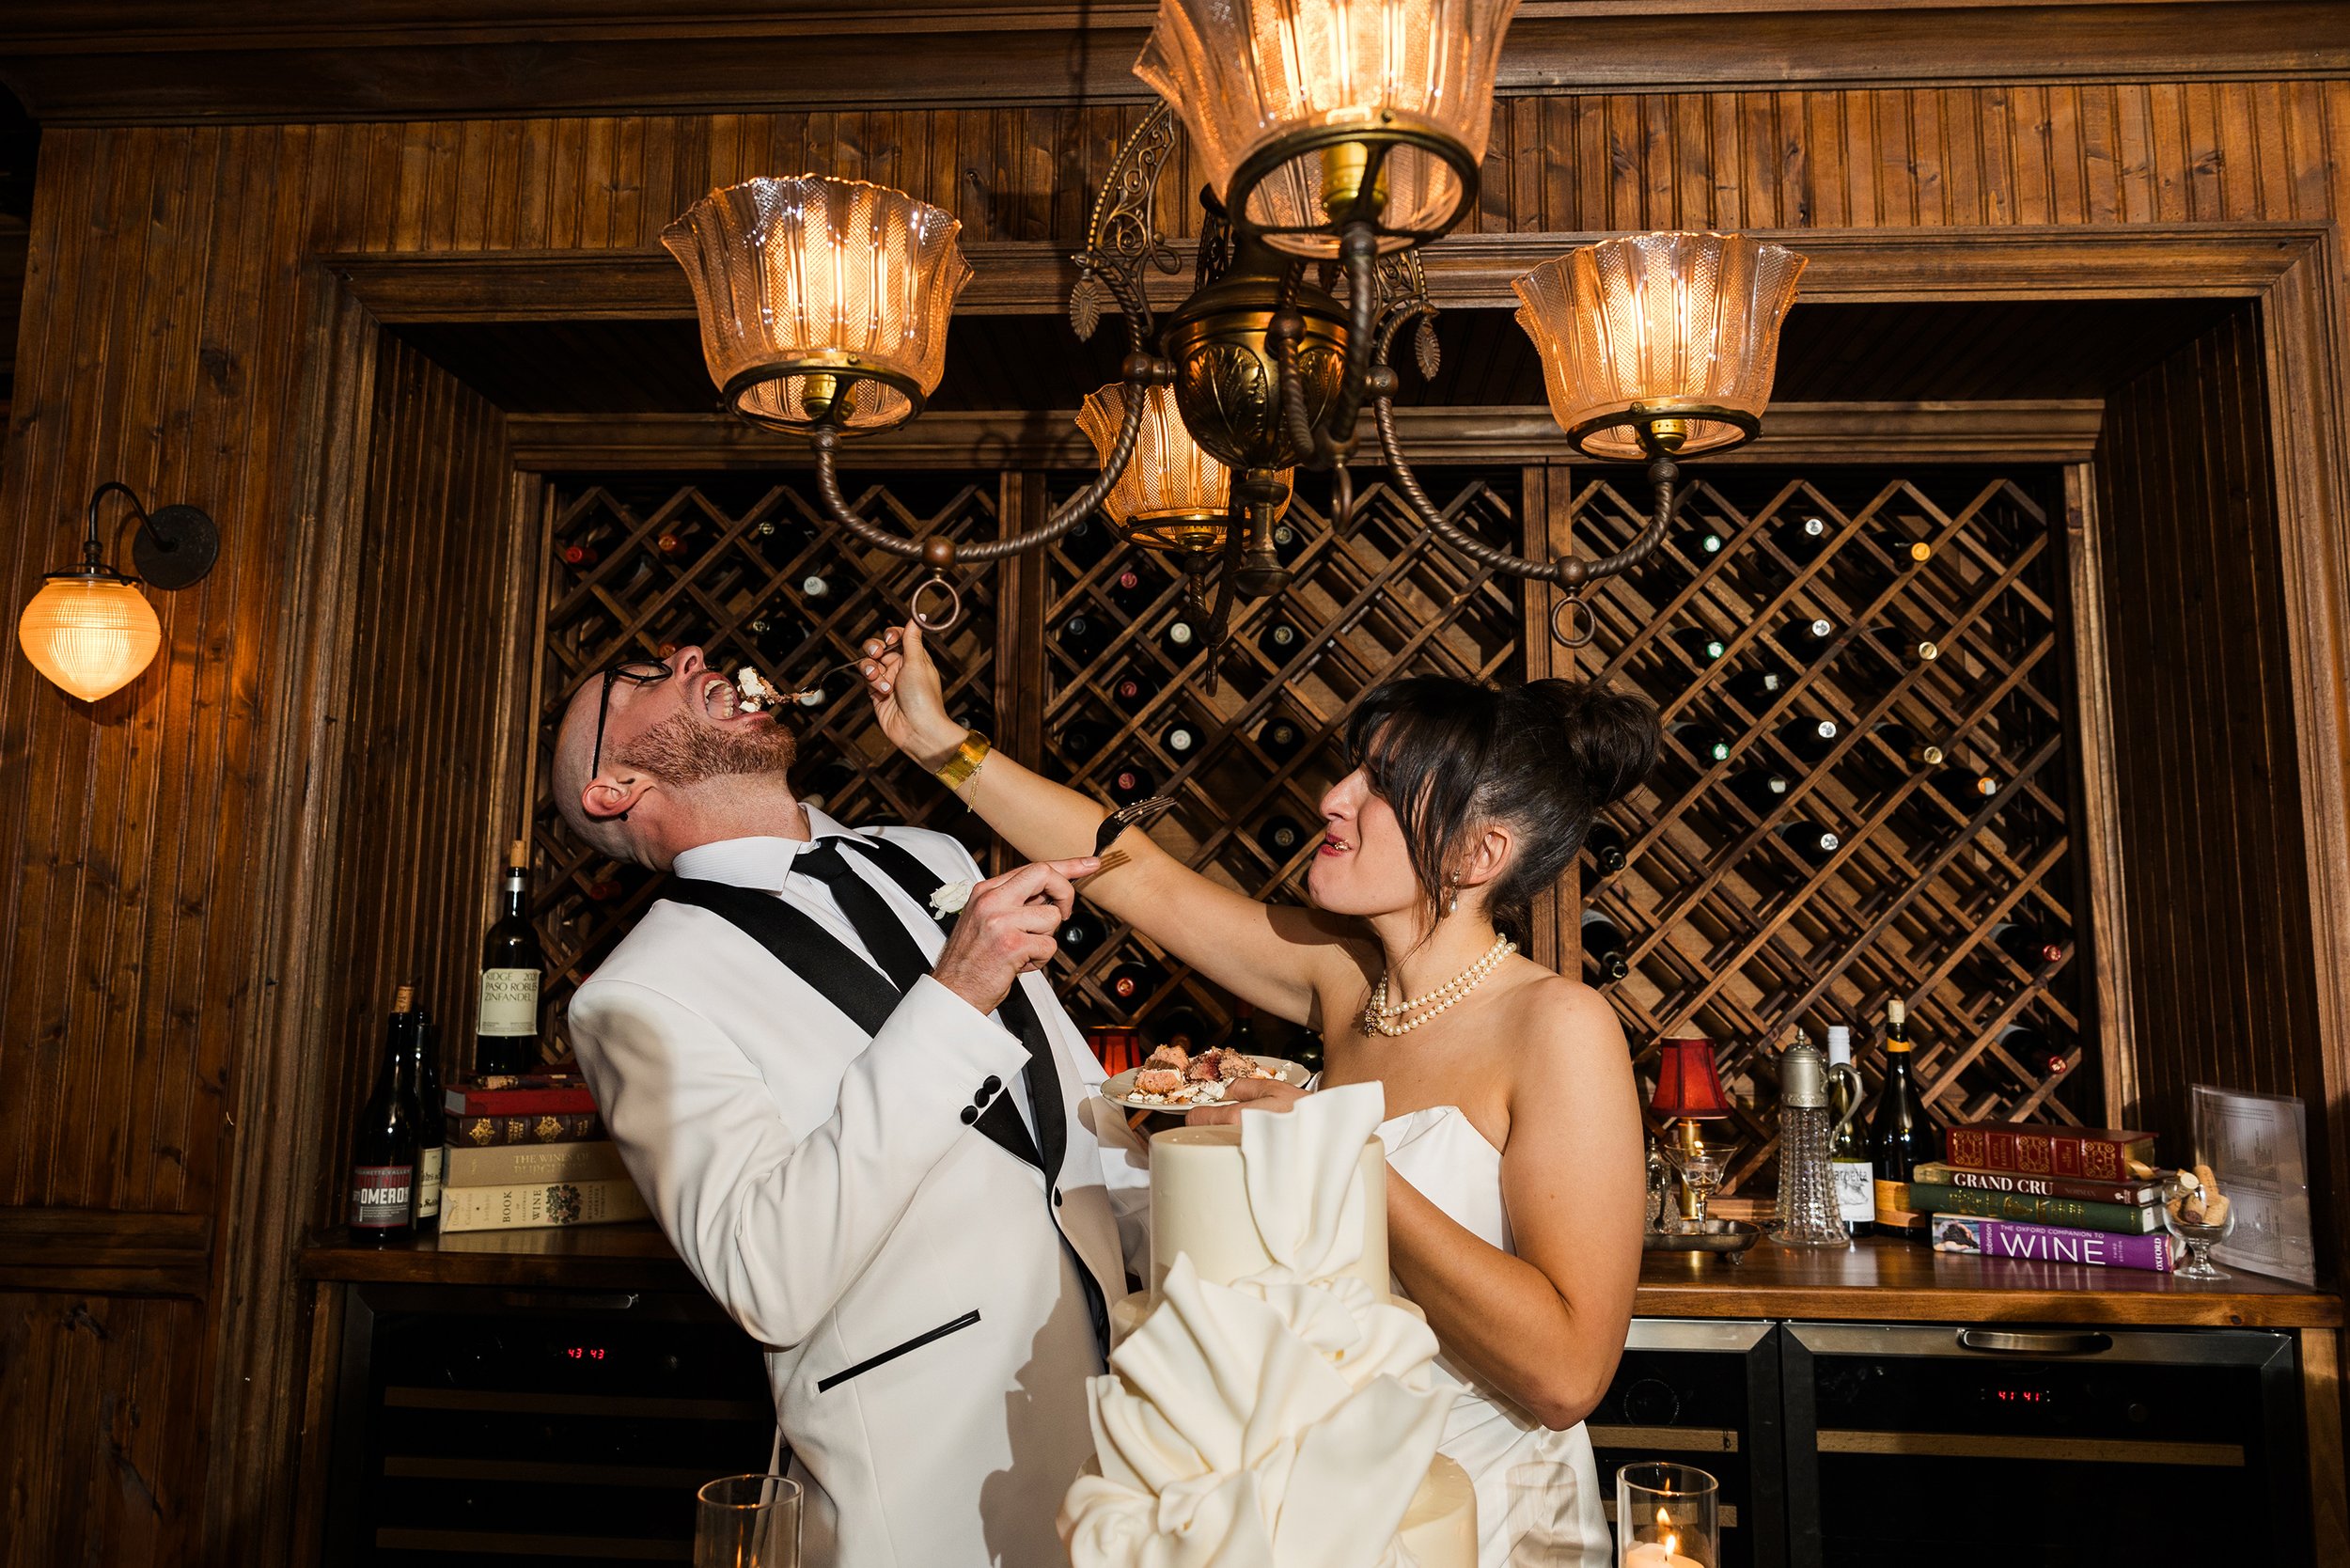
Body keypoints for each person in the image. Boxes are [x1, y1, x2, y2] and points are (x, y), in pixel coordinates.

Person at [861, 621, 1656, 1568]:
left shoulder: (1557, 1026)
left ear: (1475, 857)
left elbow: (1567, 1373)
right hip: (1311, 1500)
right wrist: (939, 743)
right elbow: (1137, 877)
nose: (1333, 797)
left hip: (1478, 1511)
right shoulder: (1343, 977)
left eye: (1381, 788)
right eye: (1352, 768)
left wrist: (1328, 1155)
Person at [550, 643, 1149, 1568]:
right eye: (638, 681)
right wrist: (951, 999)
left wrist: (1186, 1162)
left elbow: (1070, 1118)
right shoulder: (636, 998)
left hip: (1126, 1451)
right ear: (615, 785)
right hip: (929, 1495)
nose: (688, 654)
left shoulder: (930, 856)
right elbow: (767, 1274)